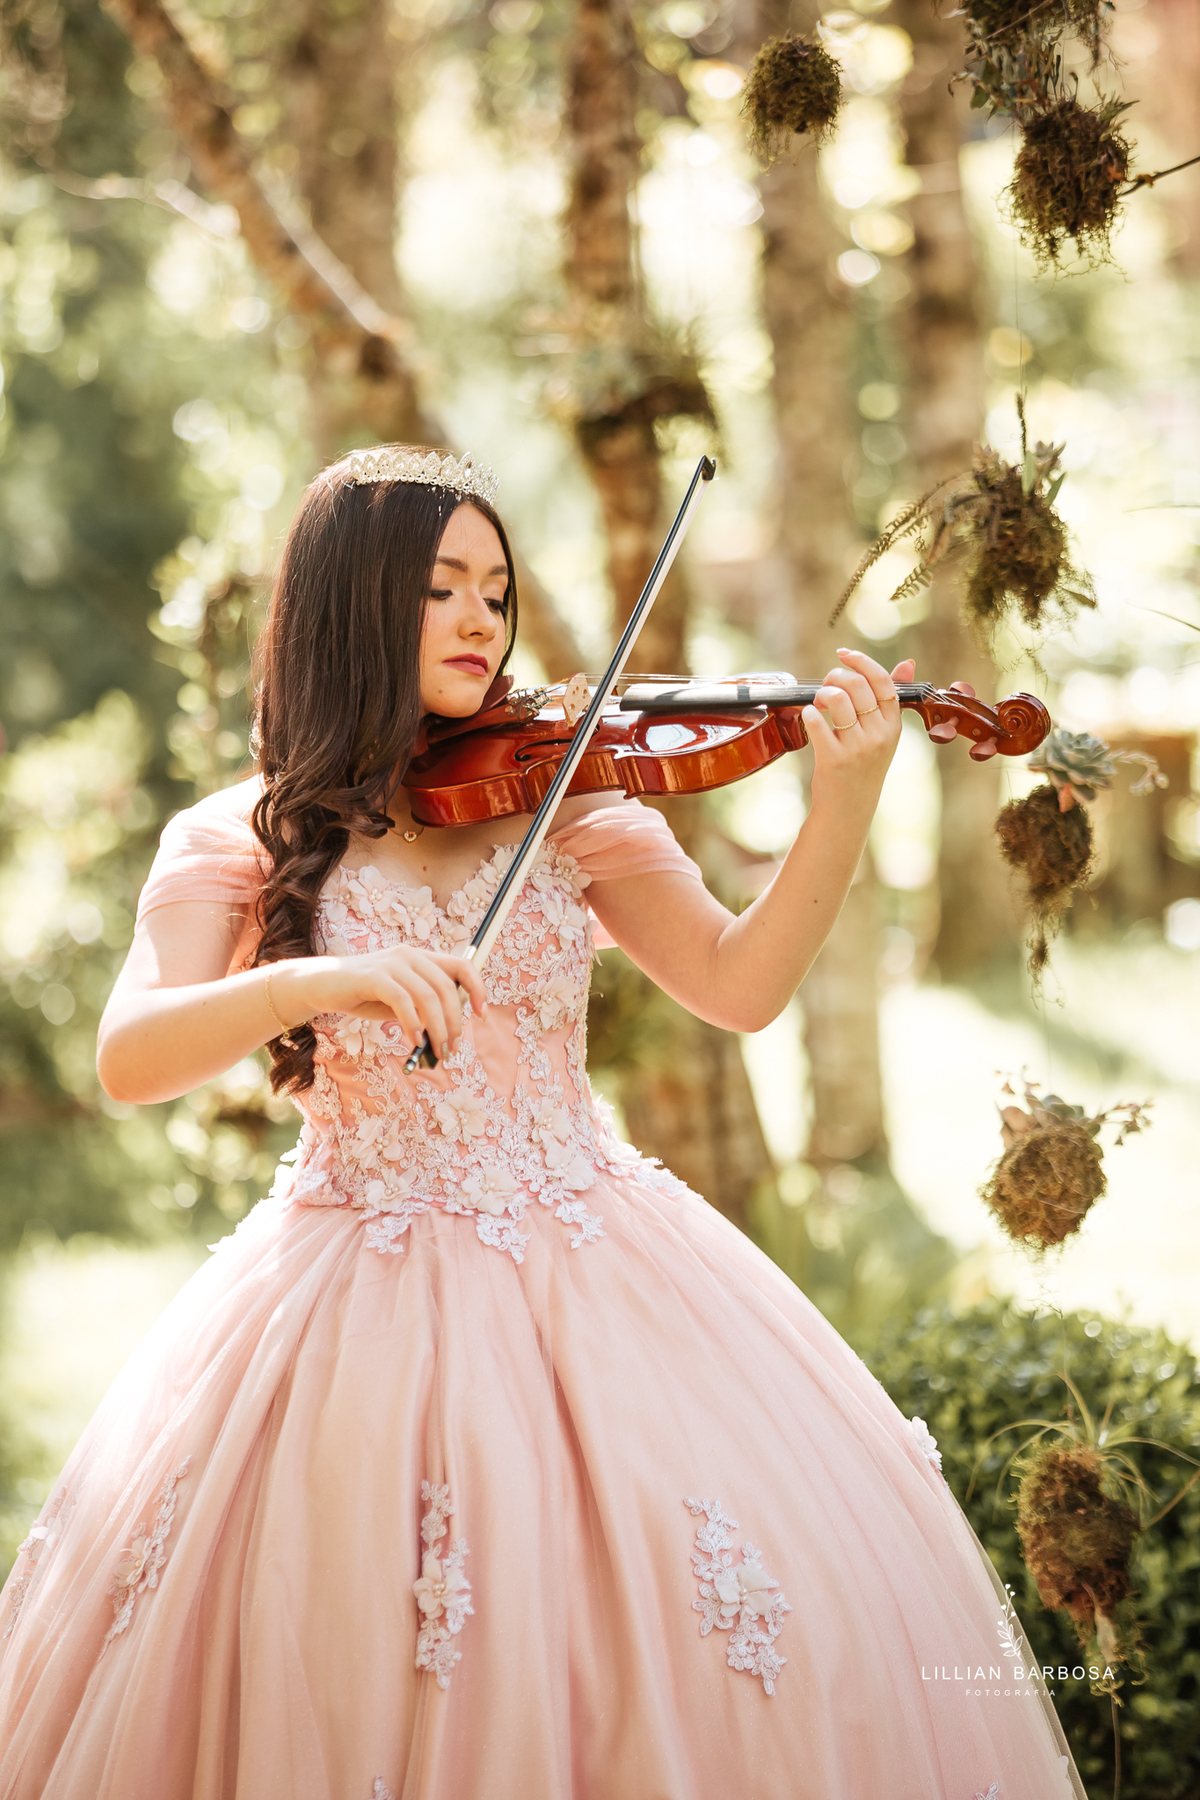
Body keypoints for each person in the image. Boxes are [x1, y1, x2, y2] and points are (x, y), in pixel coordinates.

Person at [0, 447, 1083, 1800]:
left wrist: (843, 803)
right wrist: (324, 977)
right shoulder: (240, 834)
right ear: (350, 608)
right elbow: (130, 1057)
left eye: (497, 593)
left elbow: (738, 986)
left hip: (593, 1257)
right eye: (440, 588)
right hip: (348, 1289)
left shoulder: (565, 792)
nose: (480, 622)